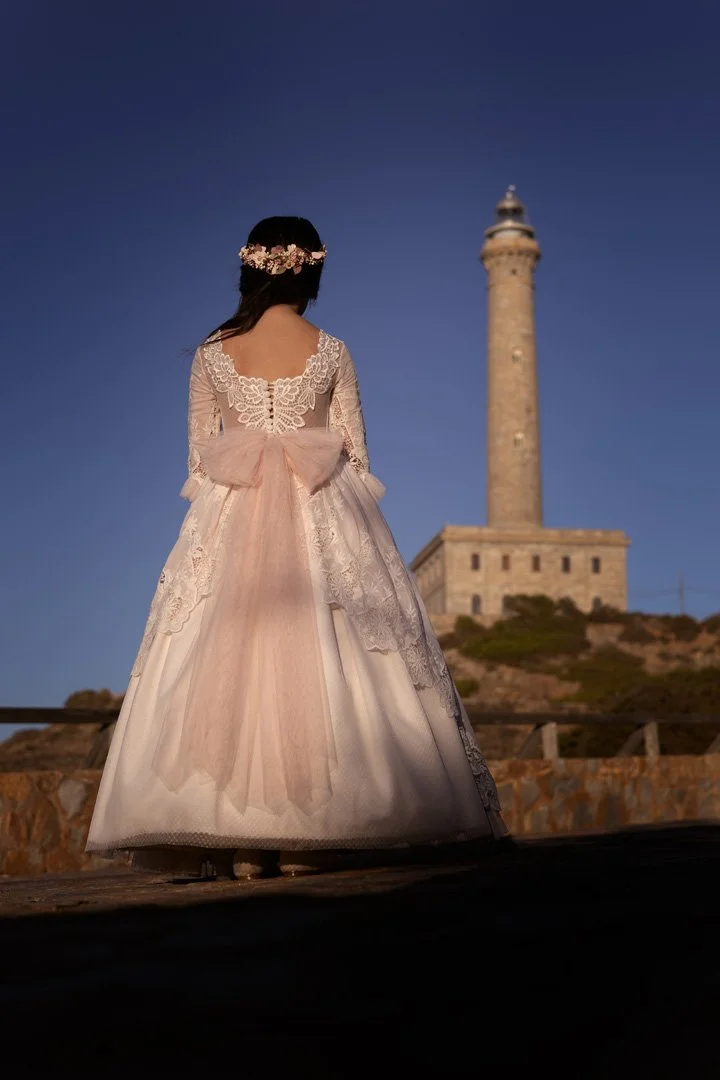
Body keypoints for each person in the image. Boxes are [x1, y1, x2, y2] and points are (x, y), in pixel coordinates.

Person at [86, 216, 506, 879]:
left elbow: (201, 462)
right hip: (324, 507)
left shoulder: (211, 352)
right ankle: (316, 832)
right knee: (338, 648)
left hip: (231, 511)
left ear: (250, 267)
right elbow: (359, 456)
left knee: (214, 646)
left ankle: (235, 838)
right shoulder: (333, 349)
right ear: (311, 270)